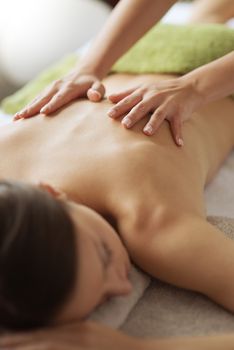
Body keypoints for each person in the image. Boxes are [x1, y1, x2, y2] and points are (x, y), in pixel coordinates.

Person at [0, 67, 233, 348]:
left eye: (104, 252)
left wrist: (136, 348)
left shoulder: (153, 225)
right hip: (135, 56)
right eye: (104, 298)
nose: (123, 286)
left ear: (52, 193)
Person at [13, 0, 234, 146]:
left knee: (206, 20)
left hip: (169, 54)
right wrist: (89, 68)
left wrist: (196, 87)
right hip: (155, 48)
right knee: (205, 20)